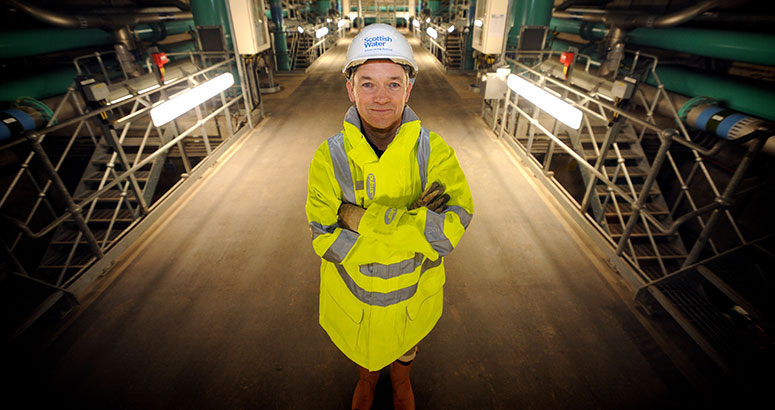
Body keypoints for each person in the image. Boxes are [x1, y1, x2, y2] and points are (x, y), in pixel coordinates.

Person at [305, 23, 474, 410]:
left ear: (409, 88)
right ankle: (367, 380)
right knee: (365, 356)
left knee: (405, 350)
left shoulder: (436, 153)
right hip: (355, 301)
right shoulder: (327, 158)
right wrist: (413, 226)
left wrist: (360, 220)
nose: (381, 97)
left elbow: (448, 233)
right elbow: (323, 238)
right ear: (350, 88)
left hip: (411, 297)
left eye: (393, 83)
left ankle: (400, 385)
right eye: (368, 83)